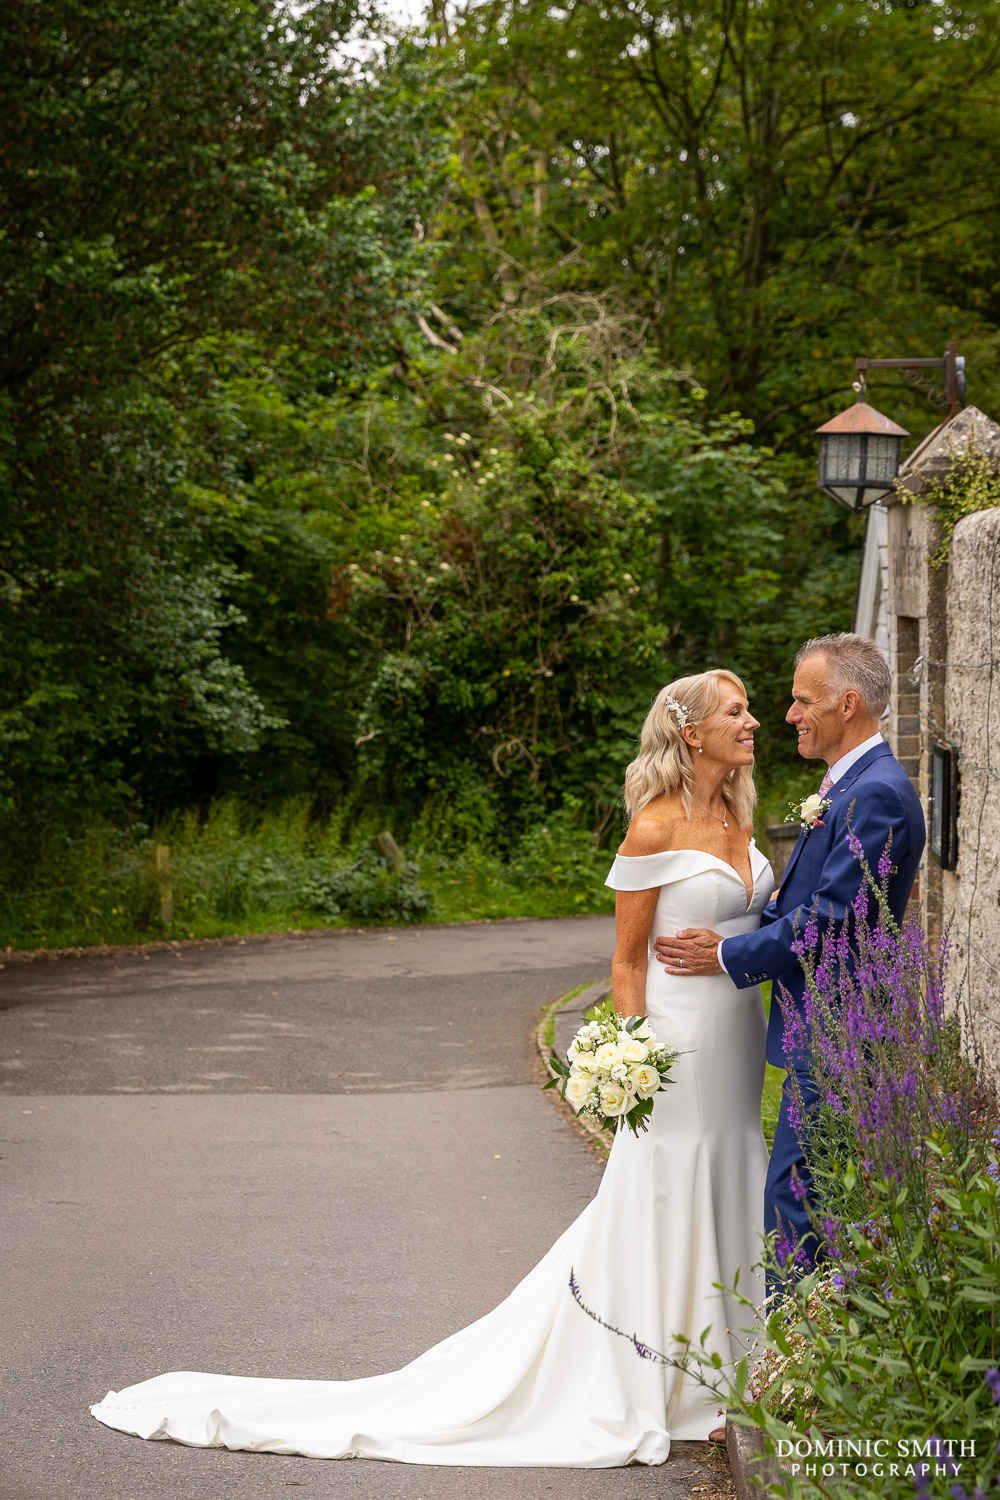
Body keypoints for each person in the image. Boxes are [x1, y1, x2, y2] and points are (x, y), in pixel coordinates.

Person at [91, 668, 771, 1466]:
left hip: (737, 1042)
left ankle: (734, 1369)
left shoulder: (736, 813)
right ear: (692, 733)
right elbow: (624, 964)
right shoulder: (654, 828)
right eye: (736, 711)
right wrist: (630, 1058)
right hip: (676, 1047)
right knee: (664, 1188)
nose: (753, 721)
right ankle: (658, 1378)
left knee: (731, 1176)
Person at [654, 634, 925, 1276]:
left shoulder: (876, 793)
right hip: (825, 1023)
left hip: (840, 1024)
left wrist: (729, 953)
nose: (789, 714)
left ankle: (799, 1356)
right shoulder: (851, 784)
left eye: (803, 701)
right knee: (808, 1191)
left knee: (800, 1200)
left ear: (848, 705)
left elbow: (834, 917)